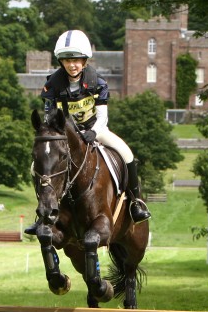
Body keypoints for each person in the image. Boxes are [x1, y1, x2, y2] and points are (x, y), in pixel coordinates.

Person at [25, 29, 151, 235]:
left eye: (76, 60)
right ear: (61, 62)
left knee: (127, 154)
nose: (72, 65)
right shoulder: (51, 86)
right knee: (34, 168)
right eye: (67, 60)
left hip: (94, 129)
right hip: (65, 136)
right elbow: (49, 118)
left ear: (84, 61)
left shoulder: (97, 83)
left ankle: (136, 203)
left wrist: (92, 132)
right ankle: (42, 214)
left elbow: (102, 116)